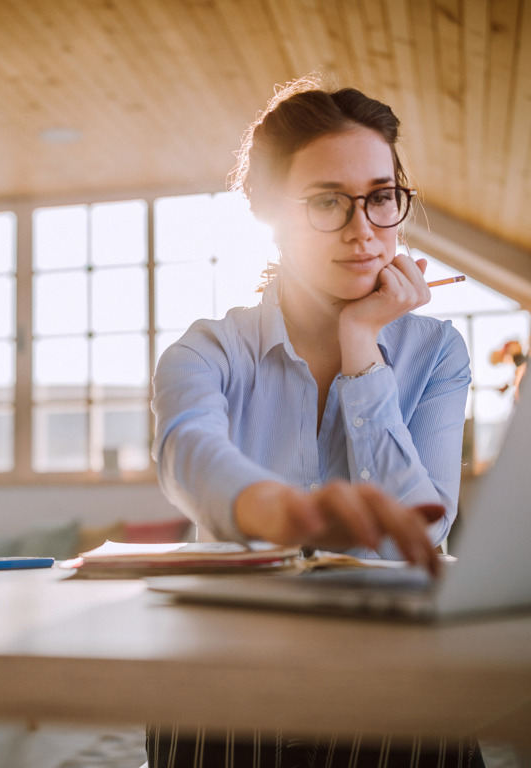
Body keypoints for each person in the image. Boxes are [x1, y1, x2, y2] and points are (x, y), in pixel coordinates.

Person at [149, 76, 481, 767]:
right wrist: (282, 514)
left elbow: (423, 526)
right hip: (235, 669)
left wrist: (363, 351)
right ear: (271, 214)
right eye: (328, 202)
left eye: (382, 198)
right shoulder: (209, 349)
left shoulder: (438, 352)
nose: (364, 232)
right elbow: (189, 453)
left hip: (392, 662)